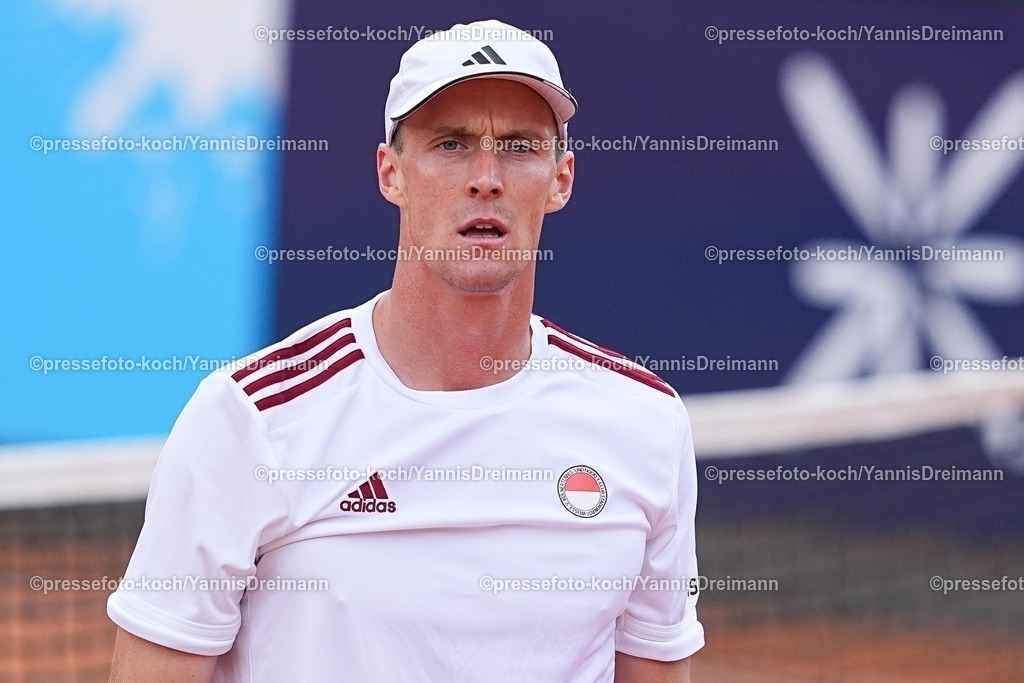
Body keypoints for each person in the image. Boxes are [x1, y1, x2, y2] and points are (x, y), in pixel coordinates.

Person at [108, 18, 704, 682]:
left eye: (519, 146)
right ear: (392, 173)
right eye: (450, 144)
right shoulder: (250, 419)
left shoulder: (646, 423)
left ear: (561, 179)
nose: (486, 177)